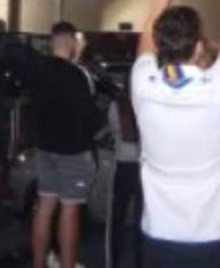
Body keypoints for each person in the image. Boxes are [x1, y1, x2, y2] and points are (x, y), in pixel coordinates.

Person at [131, 0, 220, 267]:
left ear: (160, 44)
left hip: (159, 234)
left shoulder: (143, 84)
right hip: (216, 235)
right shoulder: (218, 88)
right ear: (199, 48)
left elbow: (145, 40)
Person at [30, 22, 98, 268]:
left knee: (44, 206)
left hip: (46, 147)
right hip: (73, 151)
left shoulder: (38, 70)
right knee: (70, 210)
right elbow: (91, 114)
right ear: (71, 42)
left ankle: (38, 264)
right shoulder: (78, 74)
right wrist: (78, 58)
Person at [105, 77, 143, 268]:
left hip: (123, 164)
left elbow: (114, 132)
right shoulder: (146, 103)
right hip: (143, 167)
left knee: (117, 218)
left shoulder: (116, 105)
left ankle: (114, 261)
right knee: (142, 219)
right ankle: (141, 262)